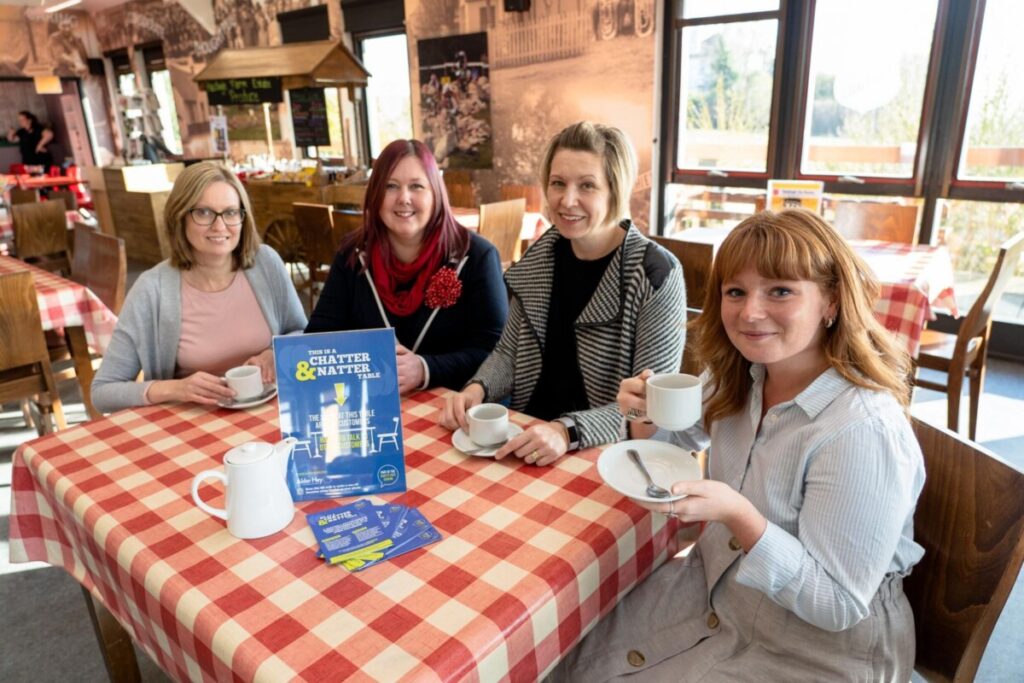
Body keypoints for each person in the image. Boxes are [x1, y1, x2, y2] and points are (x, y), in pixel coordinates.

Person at [552, 209, 925, 681]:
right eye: (735, 291)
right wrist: (644, 414)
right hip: (718, 586)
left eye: (781, 290)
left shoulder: (862, 430)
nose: (750, 312)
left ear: (830, 301)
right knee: (561, 655)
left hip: (820, 646)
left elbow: (836, 603)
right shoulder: (744, 373)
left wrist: (740, 515)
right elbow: (677, 439)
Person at [441, 121, 686, 466]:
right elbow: (508, 353)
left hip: (607, 455)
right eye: (557, 183)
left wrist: (567, 431)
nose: (567, 200)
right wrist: (476, 389)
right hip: (527, 443)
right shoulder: (539, 257)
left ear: (616, 190)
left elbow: (649, 409)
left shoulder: (655, 274)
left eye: (587, 185)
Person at [92, 162, 306, 413]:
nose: (220, 226)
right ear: (179, 217)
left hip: (274, 413)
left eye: (230, 212)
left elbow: (301, 332)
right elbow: (102, 392)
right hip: (194, 427)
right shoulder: (152, 290)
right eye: (204, 212)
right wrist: (175, 388)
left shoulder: (266, 263)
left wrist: (276, 352)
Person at [305, 138, 507, 394]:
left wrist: (425, 368)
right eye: (390, 186)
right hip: (371, 403)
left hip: (454, 409)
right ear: (375, 194)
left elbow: (496, 352)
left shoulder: (476, 257)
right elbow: (319, 337)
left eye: (416, 186)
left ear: (436, 193)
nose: (403, 198)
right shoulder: (352, 255)